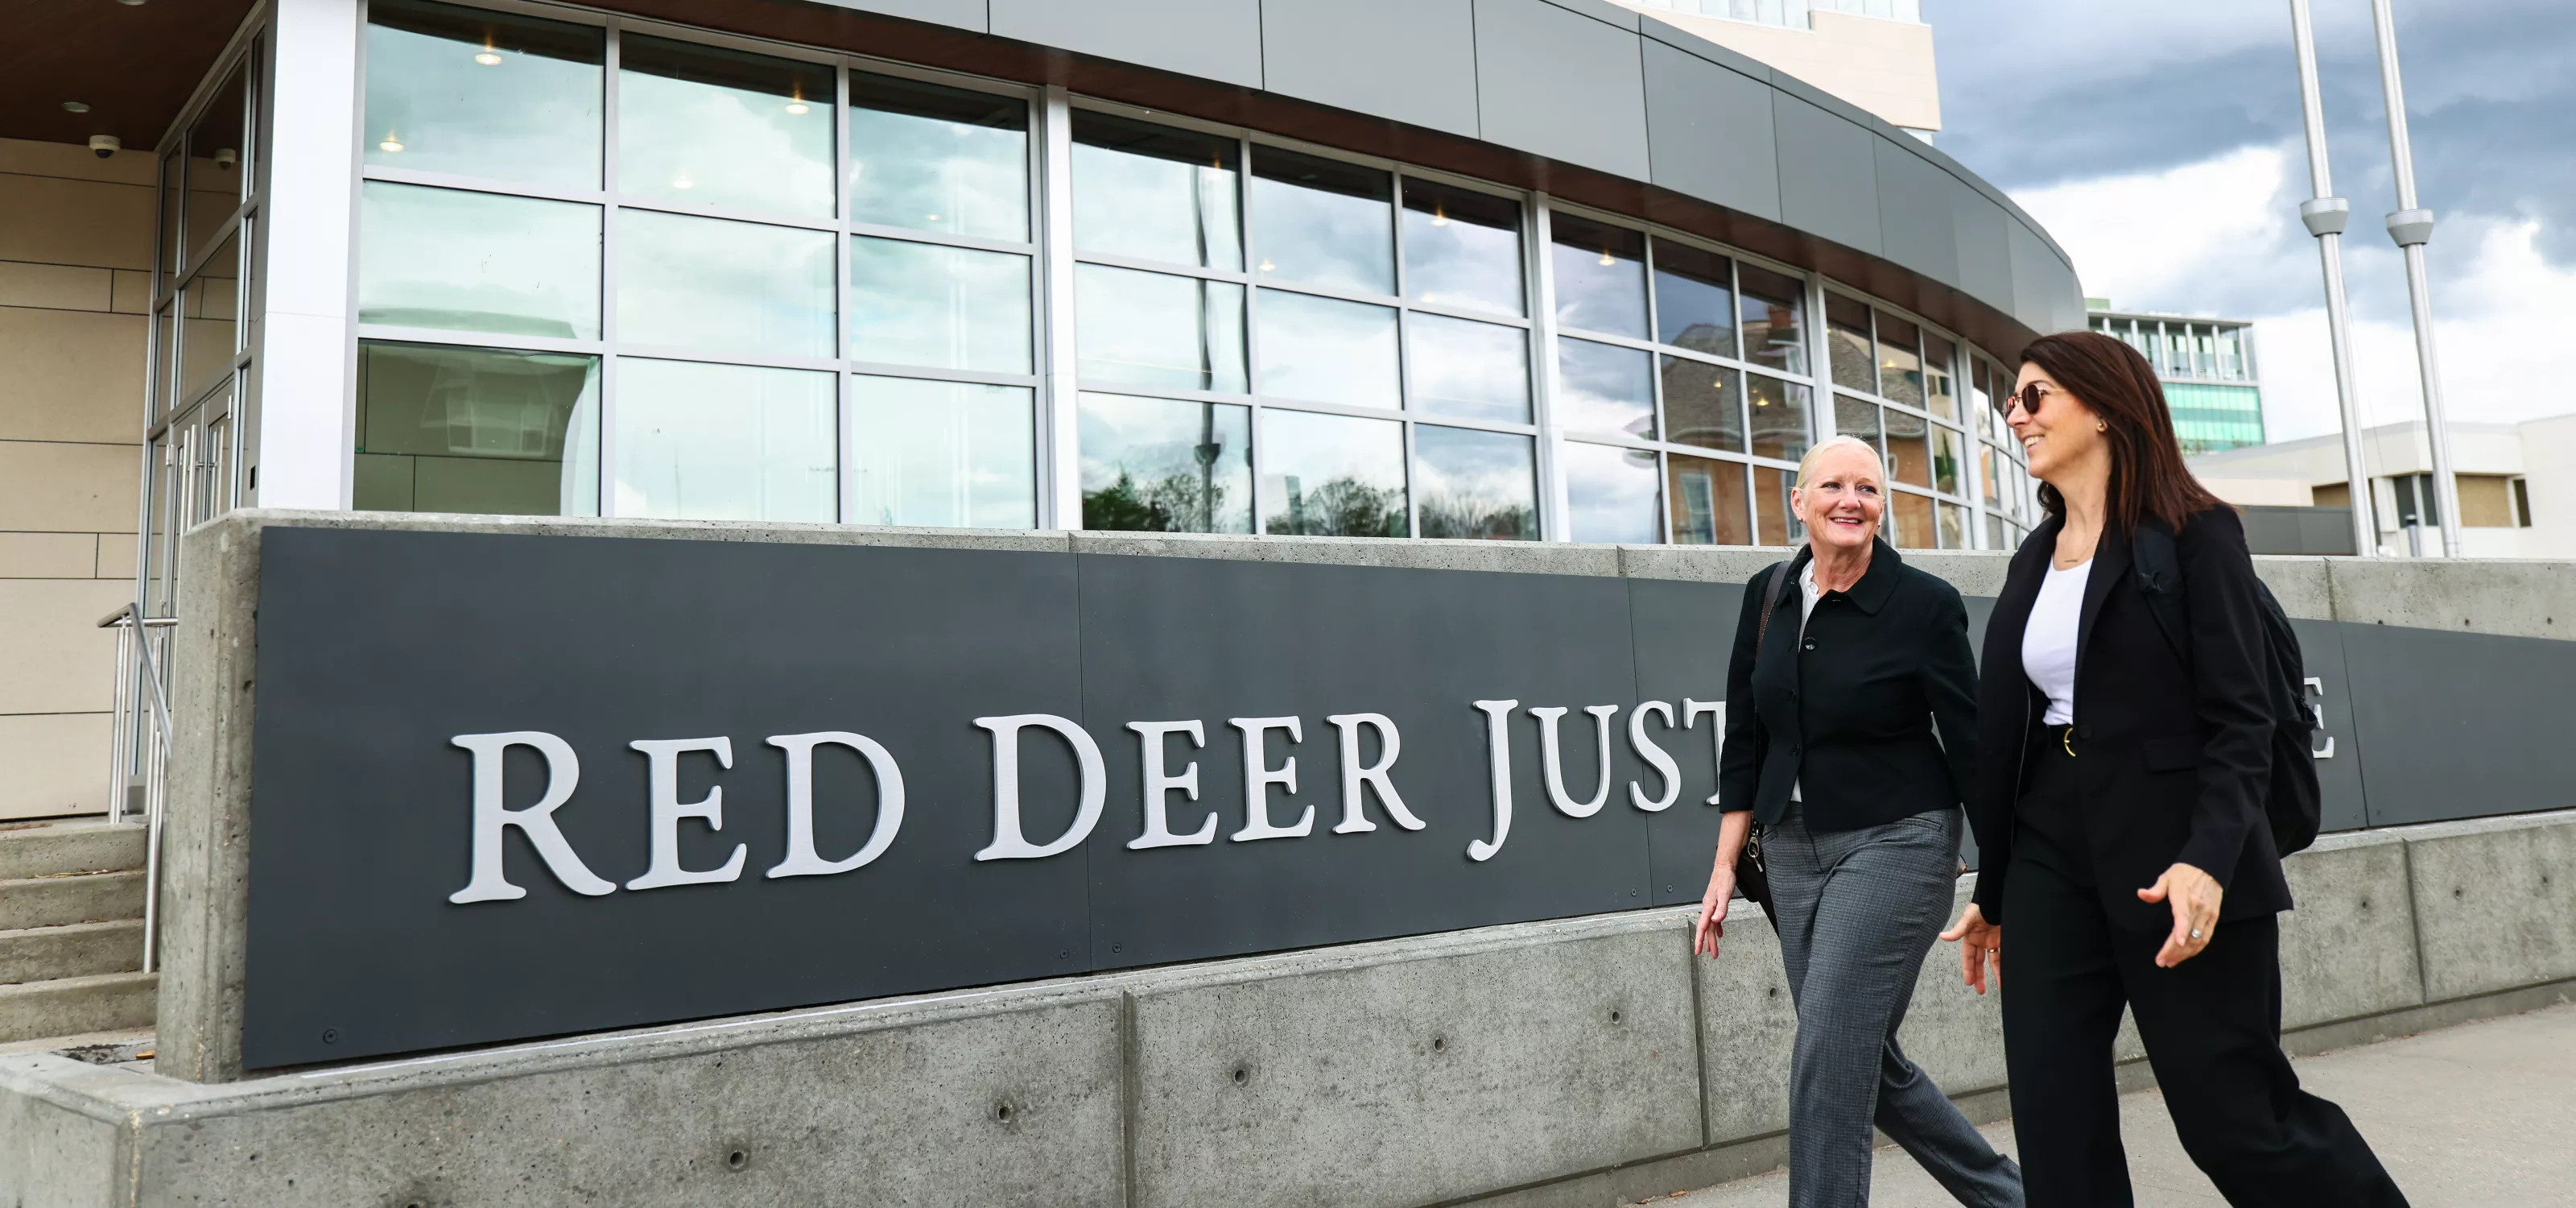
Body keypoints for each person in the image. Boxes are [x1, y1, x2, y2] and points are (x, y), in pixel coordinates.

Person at [1938, 331, 2409, 1206]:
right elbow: (2016, 737)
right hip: (2050, 849)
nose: (2013, 415)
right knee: (2054, 1121)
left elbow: (2242, 719)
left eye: (2033, 396)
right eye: (2011, 400)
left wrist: (2208, 858)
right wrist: (1993, 892)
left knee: (2234, 1120)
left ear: (2105, 409)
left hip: (2175, 851)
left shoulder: (2194, 536)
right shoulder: (2032, 558)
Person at [1695, 435, 2023, 1208]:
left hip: (1899, 841)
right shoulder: (1767, 594)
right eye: (1834, 486)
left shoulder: (1924, 604)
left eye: (1868, 489)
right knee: (1857, 1060)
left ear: (1883, 507)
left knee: (1825, 1057)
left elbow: (1972, 747)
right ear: (1798, 500)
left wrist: (2002, 883)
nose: (1852, 501)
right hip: (1793, 853)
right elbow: (1746, 736)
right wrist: (1722, 868)